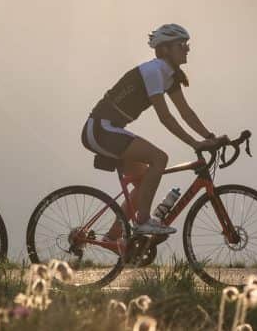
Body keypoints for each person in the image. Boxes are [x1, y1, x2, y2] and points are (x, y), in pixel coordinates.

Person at [81, 24, 222, 235]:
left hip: (109, 129)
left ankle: (115, 237)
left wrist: (210, 137)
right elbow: (165, 117)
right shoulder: (154, 71)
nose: (187, 49)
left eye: (187, 44)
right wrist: (195, 143)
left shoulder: (169, 75)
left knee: (144, 181)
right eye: (181, 45)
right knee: (159, 158)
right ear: (165, 49)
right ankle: (143, 221)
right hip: (101, 129)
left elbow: (186, 113)